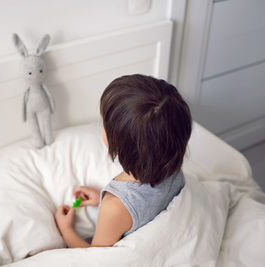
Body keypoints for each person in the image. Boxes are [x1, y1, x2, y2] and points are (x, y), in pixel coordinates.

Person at [54, 74, 192, 248]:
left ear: (118, 144)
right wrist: (102, 199)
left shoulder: (115, 208)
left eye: (104, 124)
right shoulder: (173, 166)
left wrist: (66, 229)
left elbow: (95, 258)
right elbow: (146, 205)